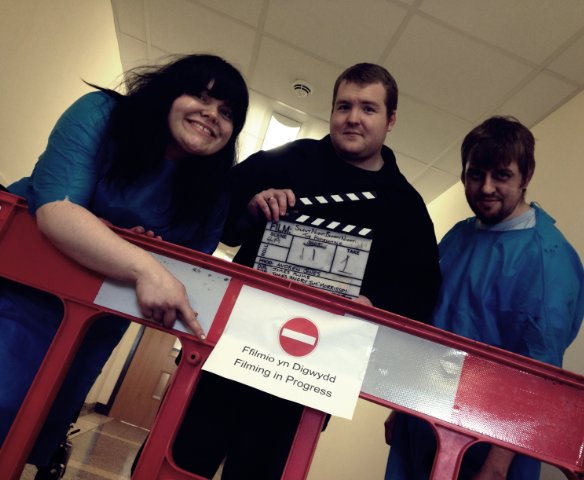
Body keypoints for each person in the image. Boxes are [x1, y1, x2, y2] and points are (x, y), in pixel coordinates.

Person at [169, 63, 442, 479]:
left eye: (368, 108)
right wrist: (250, 209)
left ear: (391, 120)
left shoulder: (406, 207)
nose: (353, 117)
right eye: (343, 106)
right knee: (179, 460)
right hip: (234, 348)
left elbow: (422, 292)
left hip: (309, 377)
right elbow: (213, 217)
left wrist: (375, 305)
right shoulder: (286, 159)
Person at [0, 54, 248, 474]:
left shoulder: (212, 190)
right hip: (23, 288)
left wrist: (143, 254)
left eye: (227, 113)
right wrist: (144, 264)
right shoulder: (101, 114)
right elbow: (57, 209)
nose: (212, 115)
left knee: (41, 422)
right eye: (201, 96)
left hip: (95, 321)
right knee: (6, 397)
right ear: (169, 93)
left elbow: (189, 271)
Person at [384, 116, 584, 480]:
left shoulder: (548, 260)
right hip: (423, 422)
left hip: (490, 447)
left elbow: (538, 375)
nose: (486, 188)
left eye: (502, 176)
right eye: (476, 174)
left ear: (526, 176)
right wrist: (400, 407)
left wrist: (496, 466)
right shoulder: (458, 237)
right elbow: (428, 328)